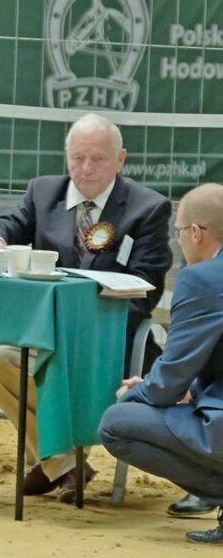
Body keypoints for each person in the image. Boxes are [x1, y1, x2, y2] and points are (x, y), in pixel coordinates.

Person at [0, 113, 173, 502]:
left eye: (98, 159)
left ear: (120, 159)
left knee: (47, 368)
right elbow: (2, 224)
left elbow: (145, 290)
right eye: (77, 158)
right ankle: (65, 465)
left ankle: (53, 465)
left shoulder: (148, 208)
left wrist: (80, 329)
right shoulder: (42, 192)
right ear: (65, 157)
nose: (86, 169)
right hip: (41, 336)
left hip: (106, 345)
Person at [101, 183, 223, 545]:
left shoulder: (202, 279)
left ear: (196, 234)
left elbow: (171, 378)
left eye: (179, 232)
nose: (180, 239)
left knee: (117, 422)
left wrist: (139, 392)